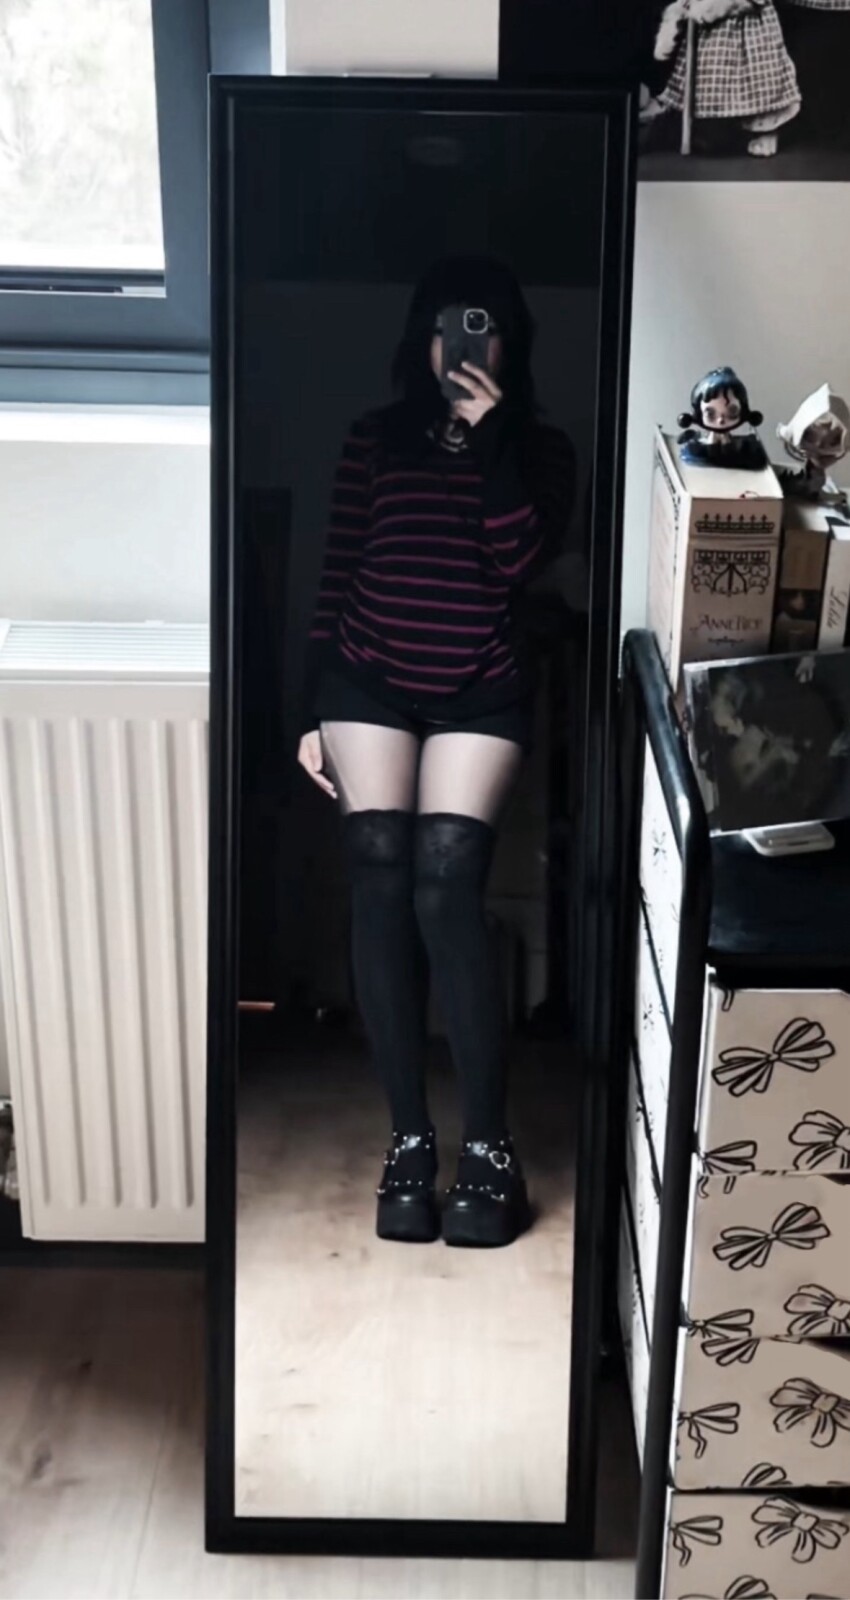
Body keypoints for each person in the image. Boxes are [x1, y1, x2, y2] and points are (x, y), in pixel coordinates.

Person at [297, 256, 576, 1249]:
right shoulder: (373, 439)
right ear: (419, 339)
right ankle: (410, 1141)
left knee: (444, 886)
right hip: (366, 677)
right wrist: (309, 708)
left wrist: (489, 437)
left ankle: (489, 1145)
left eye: (482, 327)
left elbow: (520, 558)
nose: (460, 345)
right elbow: (337, 569)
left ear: (510, 344)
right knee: (378, 878)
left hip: (481, 684)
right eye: (445, 327)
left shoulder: (541, 451)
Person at [642, 0, 801, 158]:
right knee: (705, 71)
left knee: (758, 76)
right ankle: (689, 121)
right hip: (710, 27)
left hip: (748, 19)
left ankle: (765, 129)